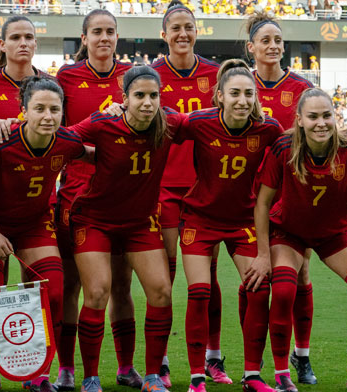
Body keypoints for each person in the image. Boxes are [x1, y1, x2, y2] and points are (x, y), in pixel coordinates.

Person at [0, 76, 90, 392]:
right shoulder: (1, 142)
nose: (48, 116)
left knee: (56, 294)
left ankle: (39, 373)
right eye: (39, 109)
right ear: (23, 111)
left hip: (34, 225)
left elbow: (98, 153)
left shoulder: (66, 141)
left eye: (55, 109)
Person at [255, 88, 347, 392]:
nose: (321, 123)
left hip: (334, 234)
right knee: (284, 290)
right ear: (299, 119)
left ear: (335, 117)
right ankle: (282, 374)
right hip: (289, 233)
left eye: (327, 115)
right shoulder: (283, 148)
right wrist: (262, 255)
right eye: (313, 116)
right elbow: (262, 204)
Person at [70, 66, 184, 392]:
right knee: (97, 292)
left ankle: (149, 376)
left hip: (138, 223)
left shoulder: (170, 123)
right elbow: (63, 138)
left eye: (153, 96)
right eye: (139, 96)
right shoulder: (103, 122)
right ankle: (90, 378)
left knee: (161, 291)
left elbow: (210, 123)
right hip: (95, 220)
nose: (147, 103)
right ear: (124, 99)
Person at [175, 59, 283, 392]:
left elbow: (297, 144)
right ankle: (196, 378)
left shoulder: (268, 129)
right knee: (199, 291)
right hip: (200, 218)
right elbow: (156, 121)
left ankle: (252, 375)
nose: (241, 100)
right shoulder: (198, 122)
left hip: (242, 221)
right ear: (219, 96)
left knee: (259, 287)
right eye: (234, 93)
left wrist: (343, 132)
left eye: (248, 94)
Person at [53, 9, 137, 390]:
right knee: (74, 284)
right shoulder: (66, 78)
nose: (105, 38)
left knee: (121, 284)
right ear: (83, 38)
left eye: (111, 31)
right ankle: (68, 369)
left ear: (118, 37)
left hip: (123, 194)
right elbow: (59, 133)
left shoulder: (133, 76)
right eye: (97, 32)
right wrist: (91, 137)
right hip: (77, 194)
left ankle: (125, 367)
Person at [150, 1, 225, 387]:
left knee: (207, 280)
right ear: (164, 34)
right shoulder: (148, 76)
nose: (182, 33)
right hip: (161, 186)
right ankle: (160, 360)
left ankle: (213, 357)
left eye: (189, 27)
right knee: (165, 276)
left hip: (204, 189)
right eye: (175, 28)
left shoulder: (215, 75)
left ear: (197, 31)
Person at [245, 12, 318, 385]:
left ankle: (301, 357)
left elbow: (321, 130)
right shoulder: (242, 86)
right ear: (251, 48)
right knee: (254, 277)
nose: (273, 46)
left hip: (288, 197)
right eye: (266, 40)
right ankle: (240, 361)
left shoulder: (302, 87)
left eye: (278, 40)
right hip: (243, 195)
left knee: (300, 274)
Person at [0, 16, 49, 125]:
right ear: (3, 45)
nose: (23, 43)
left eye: (28, 37)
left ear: (35, 44)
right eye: (15, 37)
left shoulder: (52, 84)